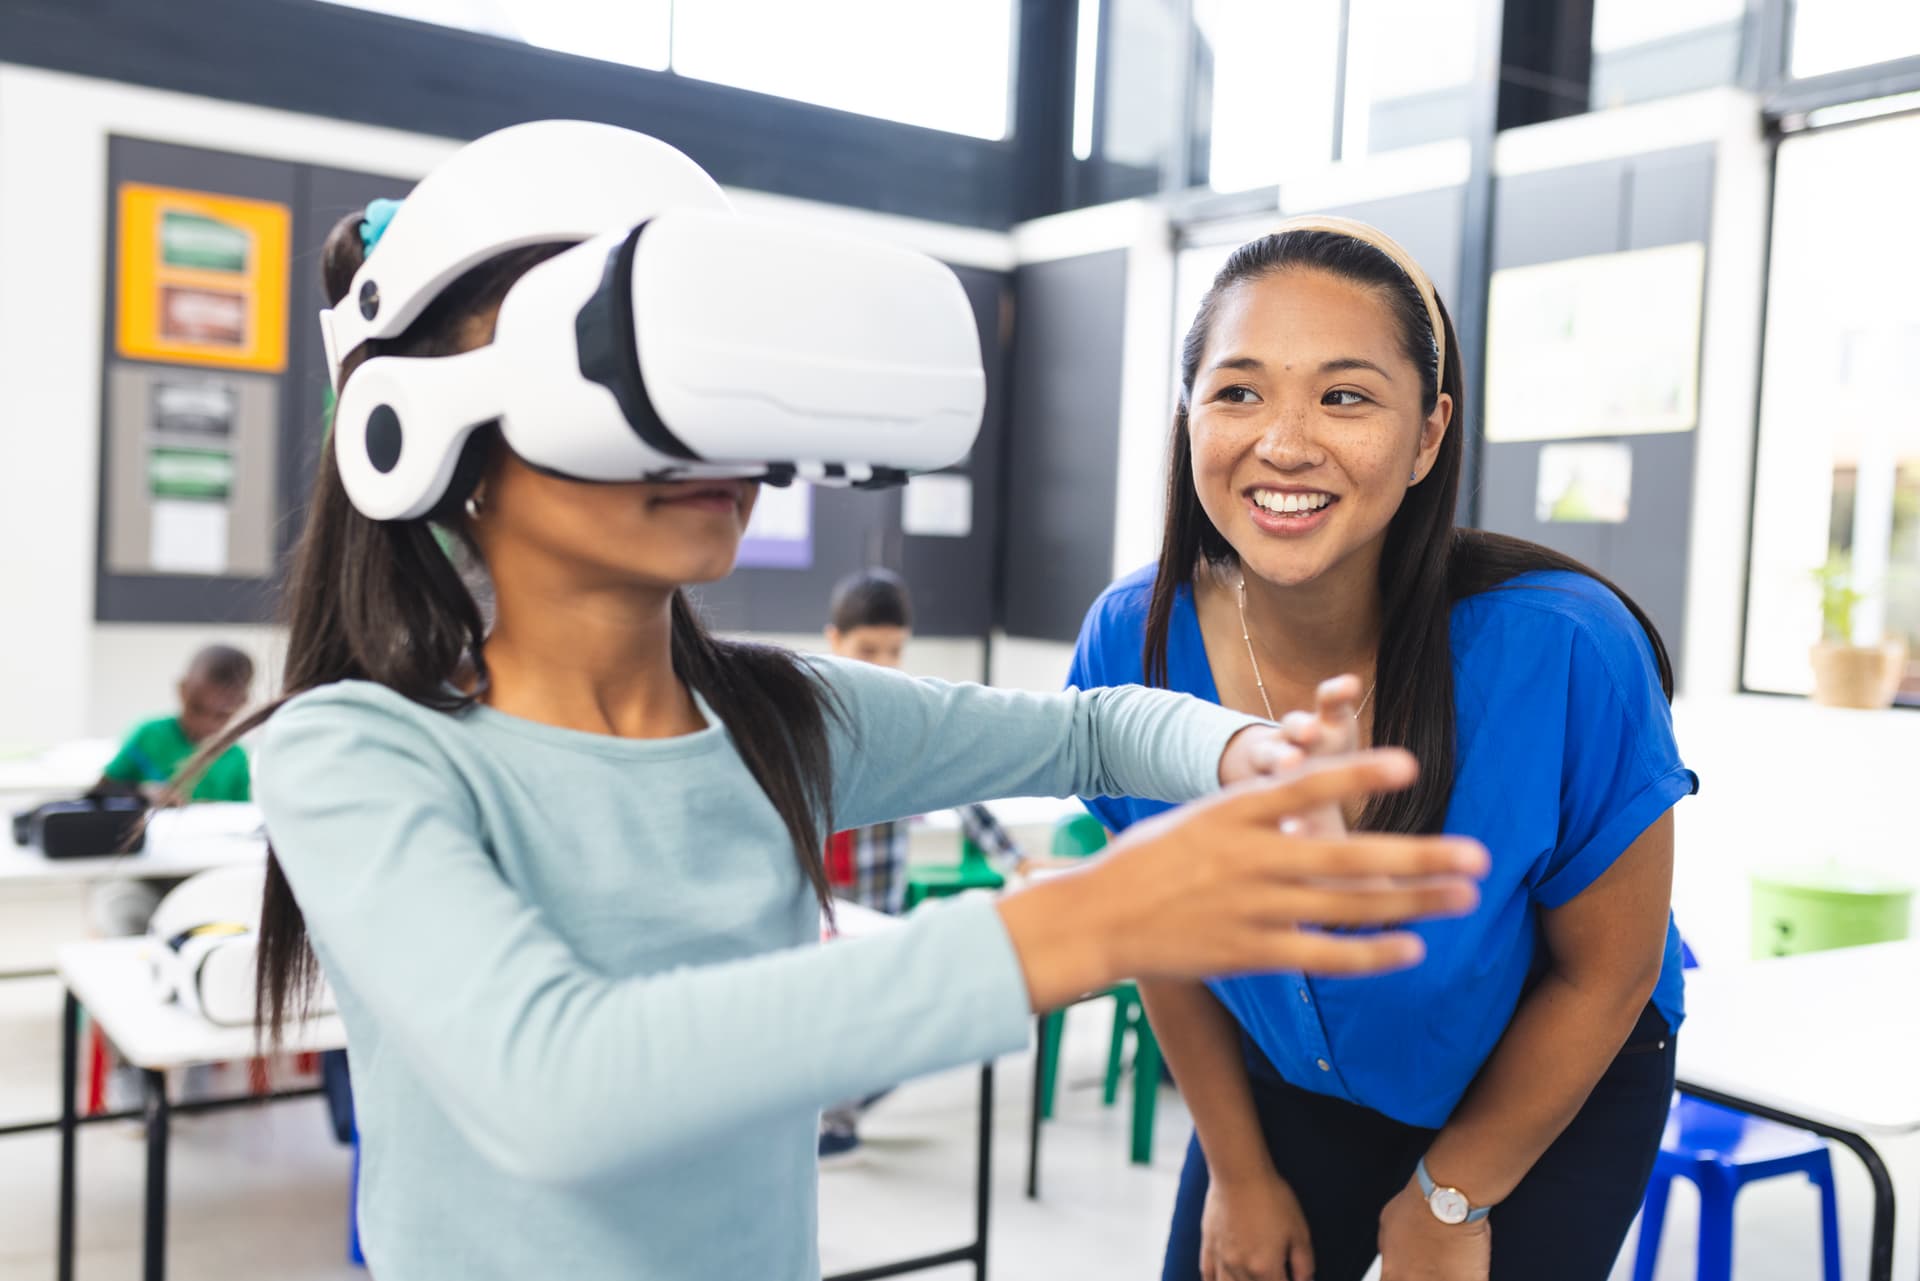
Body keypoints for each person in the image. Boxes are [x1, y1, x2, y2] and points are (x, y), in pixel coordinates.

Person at [181, 134, 1490, 1281]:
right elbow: (557, 1088)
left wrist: (1241, 748)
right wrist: (1080, 923)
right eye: (620, 372)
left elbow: (1088, 729)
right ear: (420, 422)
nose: (696, 437)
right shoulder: (356, 751)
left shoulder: (775, 716)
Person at [1068, 217, 1696, 1281]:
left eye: (1345, 395)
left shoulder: (1564, 648)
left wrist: (1450, 1201)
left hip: (1542, 1085)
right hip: (1282, 1081)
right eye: (1239, 391)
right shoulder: (1131, 640)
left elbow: (1612, 970)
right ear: (1190, 418)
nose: (1286, 441)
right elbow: (1161, 928)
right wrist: (1237, 1173)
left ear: (1427, 434)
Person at [815, 567, 1028, 1156]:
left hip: (878, 905)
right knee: (829, 1020)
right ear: (834, 641)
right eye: (867, 649)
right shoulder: (811, 711)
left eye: (894, 650)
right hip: (822, 905)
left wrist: (1013, 859)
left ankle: (835, 1114)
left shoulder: (906, 715)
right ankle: (829, 1118)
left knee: (885, 1024)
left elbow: (960, 785)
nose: (883, 663)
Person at [87, 644, 254, 938]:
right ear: (182, 690)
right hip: (145, 872)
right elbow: (99, 792)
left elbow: (243, 822)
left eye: (222, 715)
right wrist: (142, 793)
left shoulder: (235, 756)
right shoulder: (149, 734)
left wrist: (210, 811)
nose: (205, 722)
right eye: (198, 709)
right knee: (121, 912)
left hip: (204, 875)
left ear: (241, 705)